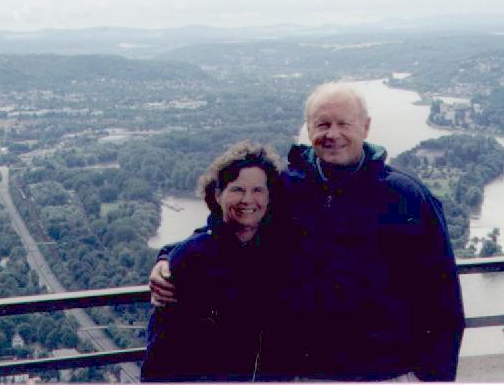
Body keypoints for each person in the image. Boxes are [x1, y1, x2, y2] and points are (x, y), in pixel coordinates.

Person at [150, 82, 465, 381]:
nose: (333, 134)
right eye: (322, 124)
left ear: (366, 127)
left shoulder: (407, 196)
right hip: (300, 372)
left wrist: (434, 378)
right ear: (309, 128)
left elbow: (443, 299)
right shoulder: (286, 187)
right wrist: (169, 257)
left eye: (344, 123)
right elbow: (228, 229)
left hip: (385, 373)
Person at [141, 141, 283, 382]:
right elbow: (161, 354)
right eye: (237, 189)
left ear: (270, 198)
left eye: (258, 190)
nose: (248, 199)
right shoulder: (191, 258)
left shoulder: (276, 248)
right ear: (218, 195)